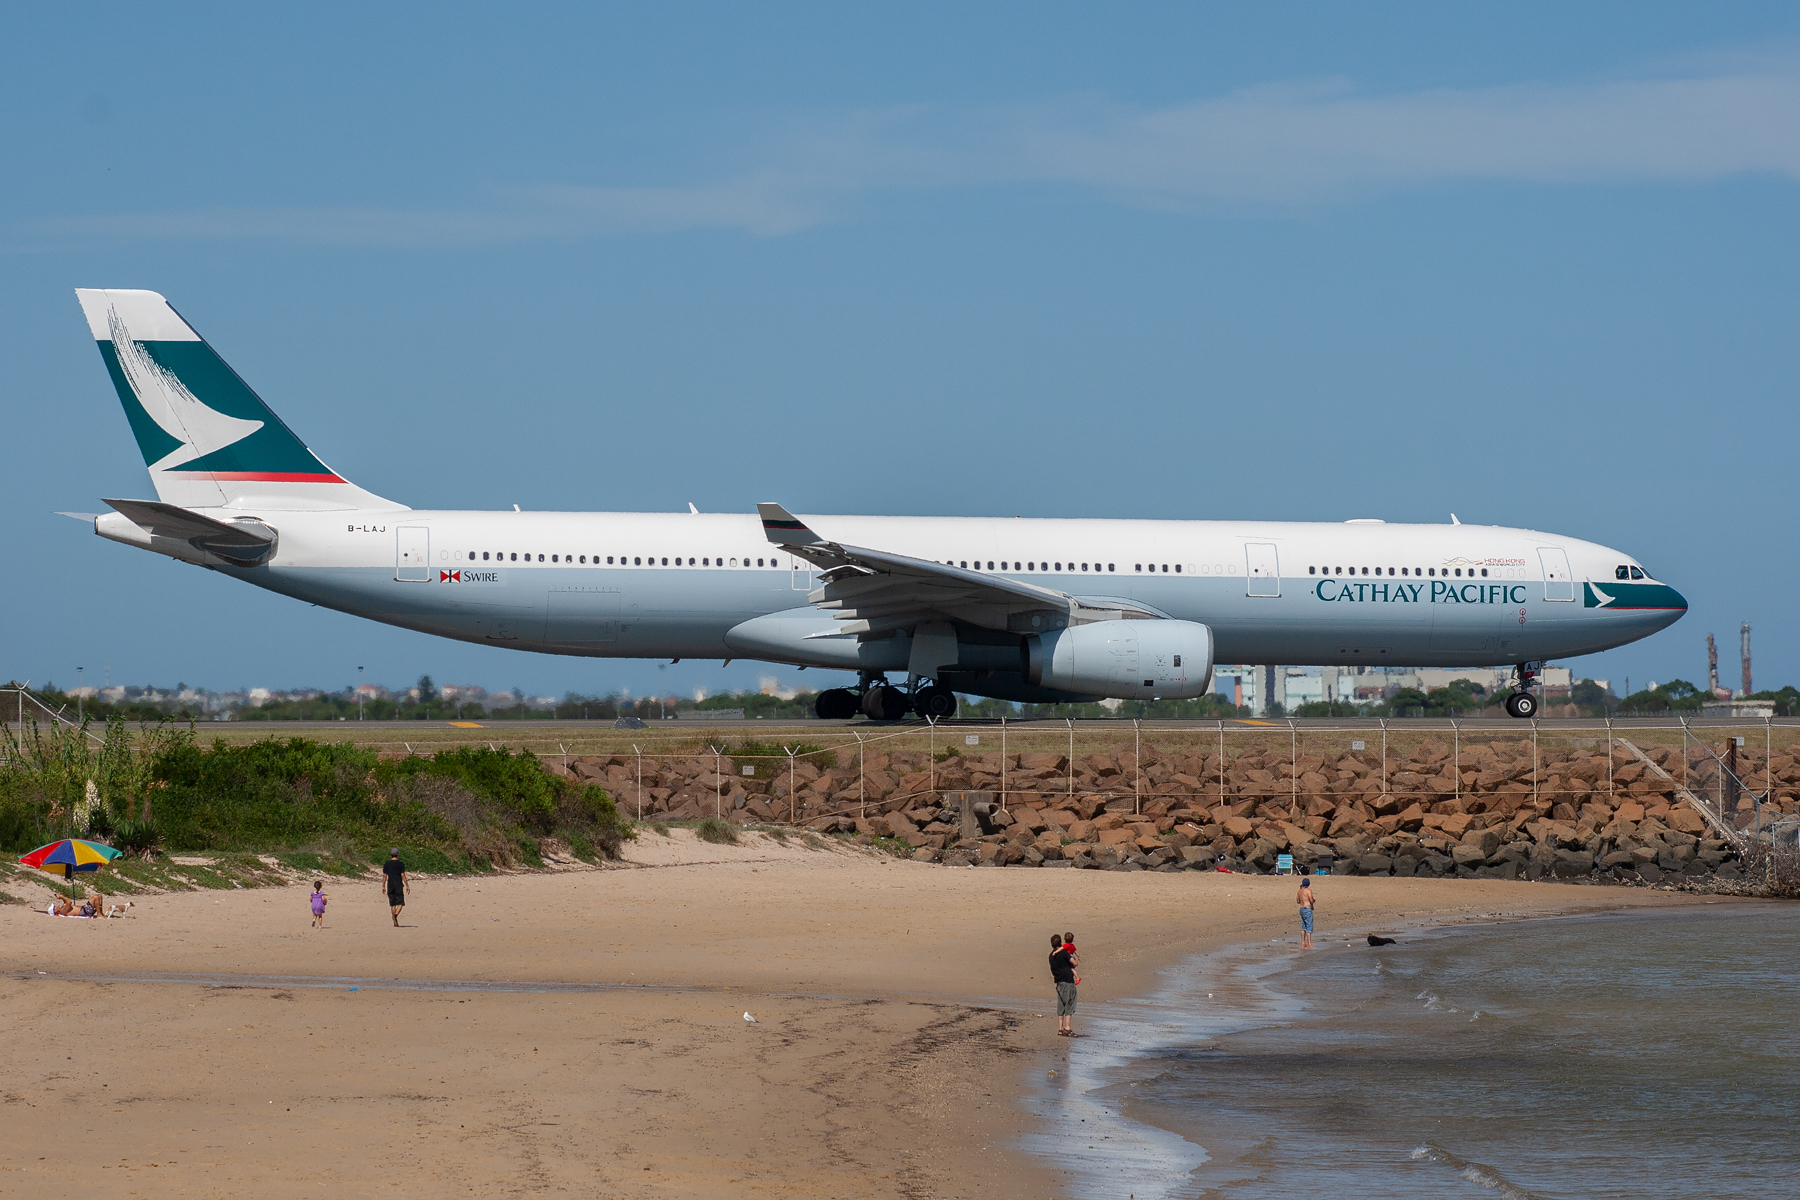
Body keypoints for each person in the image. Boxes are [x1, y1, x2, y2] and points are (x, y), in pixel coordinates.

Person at [1050, 933, 1078, 1037]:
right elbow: (1074, 963)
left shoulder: (1051, 956)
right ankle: (1067, 1028)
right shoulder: (1064, 953)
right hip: (1067, 981)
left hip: (1059, 982)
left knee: (1061, 1004)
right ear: (1061, 943)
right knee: (1070, 1003)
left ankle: (1060, 1028)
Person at [381, 849, 408, 926]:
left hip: (390, 885)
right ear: (397, 854)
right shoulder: (400, 864)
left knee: (392, 904)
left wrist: (383, 886)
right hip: (398, 885)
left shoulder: (387, 864)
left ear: (391, 854)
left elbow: (384, 875)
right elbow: (403, 875)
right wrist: (407, 885)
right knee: (401, 902)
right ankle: (395, 915)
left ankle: (394, 921)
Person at [1297, 874, 1316, 949]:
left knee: (1303, 926)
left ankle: (1303, 943)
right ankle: (1309, 943)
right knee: (1309, 926)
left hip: (1301, 909)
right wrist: (1314, 900)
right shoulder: (1308, 891)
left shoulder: (1299, 891)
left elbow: (1298, 901)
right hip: (1307, 909)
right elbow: (1311, 900)